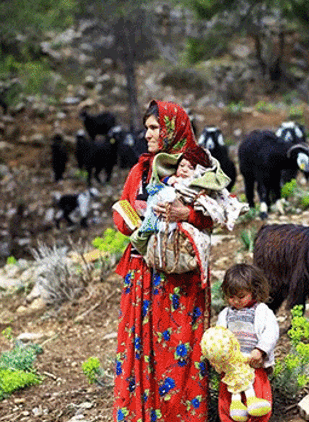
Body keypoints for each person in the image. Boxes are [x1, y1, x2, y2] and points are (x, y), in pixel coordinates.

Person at [112, 100, 229, 422]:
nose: (147, 134)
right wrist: (134, 219)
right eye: (147, 128)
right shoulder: (141, 170)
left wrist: (185, 213)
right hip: (142, 273)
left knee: (178, 351)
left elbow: (216, 214)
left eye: (154, 128)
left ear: (171, 130)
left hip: (180, 278)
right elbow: (122, 214)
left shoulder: (197, 168)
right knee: (141, 349)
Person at [212, 264, 279, 422]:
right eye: (231, 297)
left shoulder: (262, 311)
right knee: (228, 403)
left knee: (258, 400)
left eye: (241, 296)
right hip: (232, 369)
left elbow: (272, 331)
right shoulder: (225, 314)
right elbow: (219, 336)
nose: (236, 301)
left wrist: (260, 350)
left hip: (254, 365)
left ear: (254, 291)